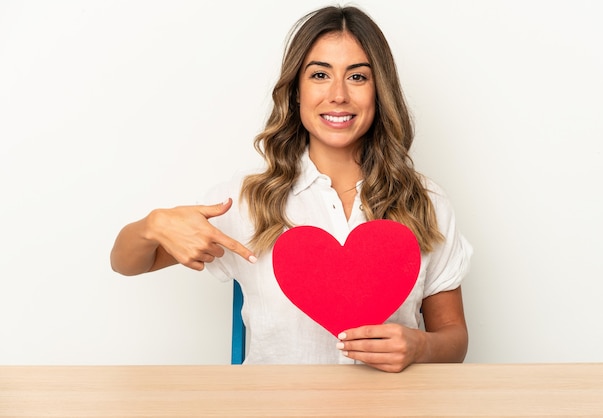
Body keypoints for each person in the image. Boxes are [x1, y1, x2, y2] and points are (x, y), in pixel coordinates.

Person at [110, 5, 472, 373]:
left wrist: (420, 346)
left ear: (380, 92)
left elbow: (453, 337)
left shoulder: (425, 201)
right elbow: (126, 263)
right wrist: (152, 226)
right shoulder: (245, 201)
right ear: (296, 91)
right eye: (319, 75)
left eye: (358, 77)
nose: (338, 95)